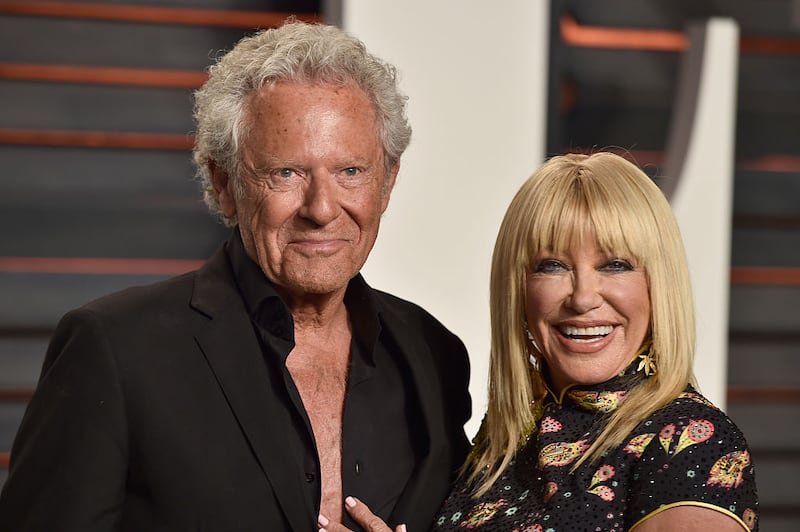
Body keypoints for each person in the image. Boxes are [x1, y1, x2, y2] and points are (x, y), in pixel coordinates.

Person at [0, 21, 471, 531]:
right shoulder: (115, 349)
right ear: (224, 184)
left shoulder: (434, 354)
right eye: (286, 173)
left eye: (350, 171)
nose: (321, 208)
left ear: (388, 182)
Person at [326, 152, 758, 532]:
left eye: (615, 264)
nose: (584, 297)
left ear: (657, 285)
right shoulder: (504, 439)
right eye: (552, 265)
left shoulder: (687, 442)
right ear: (518, 290)